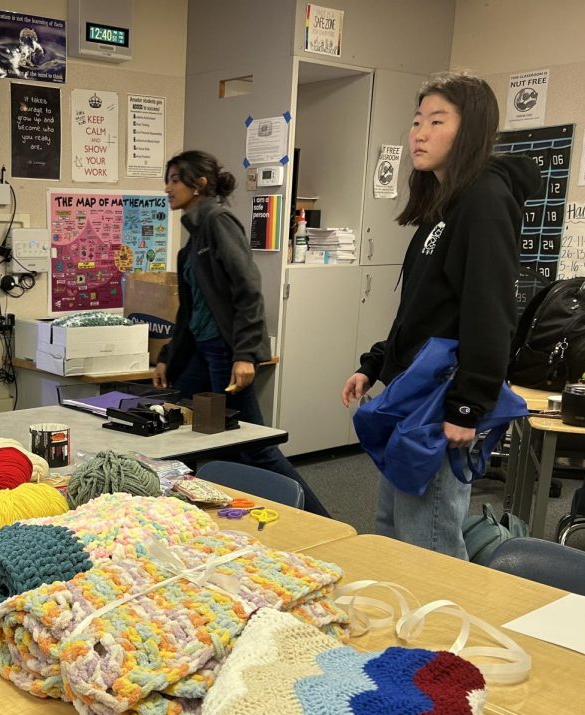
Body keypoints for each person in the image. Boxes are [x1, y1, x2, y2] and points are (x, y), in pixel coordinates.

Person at [340, 72, 539, 557]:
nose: (419, 134)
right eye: (416, 122)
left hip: (442, 399)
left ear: (470, 129)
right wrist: (374, 364)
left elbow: (490, 314)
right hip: (411, 391)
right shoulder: (444, 202)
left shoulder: (485, 201)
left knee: (427, 541)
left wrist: (468, 405)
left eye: (436, 120)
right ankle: (398, 630)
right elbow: (423, 310)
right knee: (393, 530)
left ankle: (441, 633)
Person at [154, 150, 330, 517]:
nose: (167, 188)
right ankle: (217, 512)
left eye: (175, 179)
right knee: (192, 434)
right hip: (202, 352)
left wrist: (246, 354)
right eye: (167, 180)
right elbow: (189, 312)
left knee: (253, 444)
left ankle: (318, 518)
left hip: (224, 350)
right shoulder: (193, 241)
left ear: (199, 184)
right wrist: (168, 359)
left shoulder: (219, 222)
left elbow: (248, 288)